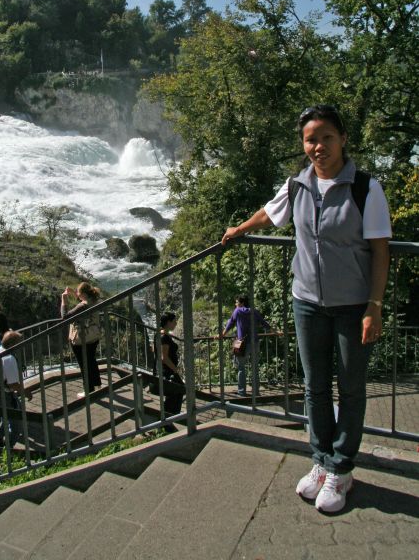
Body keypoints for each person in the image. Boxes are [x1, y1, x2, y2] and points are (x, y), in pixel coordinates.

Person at [222, 104, 391, 514]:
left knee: (350, 388)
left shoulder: (365, 188)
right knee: (315, 386)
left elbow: (381, 249)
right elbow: (271, 212)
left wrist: (375, 306)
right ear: (304, 144)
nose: (318, 146)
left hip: (353, 306)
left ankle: (341, 468)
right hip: (307, 304)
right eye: (311, 139)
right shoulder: (298, 185)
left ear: (343, 139)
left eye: (326, 137)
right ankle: (320, 460)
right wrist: (241, 229)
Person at [219, 296, 270, 396]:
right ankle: (256, 392)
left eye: (237, 302)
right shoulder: (254, 311)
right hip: (254, 343)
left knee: (241, 368)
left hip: (242, 343)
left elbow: (230, 323)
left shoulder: (237, 311)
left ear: (242, 303)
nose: (235, 304)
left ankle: (242, 392)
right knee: (255, 368)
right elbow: (264, 323)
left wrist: (222, 335)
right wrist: (276, 331)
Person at [61, 282, 102, 398]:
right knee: (91, 361)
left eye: (78, 294)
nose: (77, 296)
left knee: (84, 364)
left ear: (83, 294)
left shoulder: (83, 305)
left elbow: (65, 317)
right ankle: (97, 385)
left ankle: (88, 390)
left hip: (81, 339)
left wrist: (64, 299)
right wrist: (75, 293)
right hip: (93, 337)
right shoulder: (94, 301)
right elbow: (83, 305)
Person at [0, 330, 30, 448]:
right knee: (16, 424)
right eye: (19, 343)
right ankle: (9, 450)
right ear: (13, 344)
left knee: (7, 415)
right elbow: (13, 384)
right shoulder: (9, 358)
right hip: (5, 394)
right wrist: (26, 393)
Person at [154, 312, 185, 417]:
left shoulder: (160, 334)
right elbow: (164, 357)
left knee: (174, 393)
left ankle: (168, 417)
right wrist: (175, 369)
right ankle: (170, 417)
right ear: (168, 322)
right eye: (174, 321)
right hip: (167, 371)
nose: (176, 323)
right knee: (179, 390)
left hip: (165, 370)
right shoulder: (164, 338)